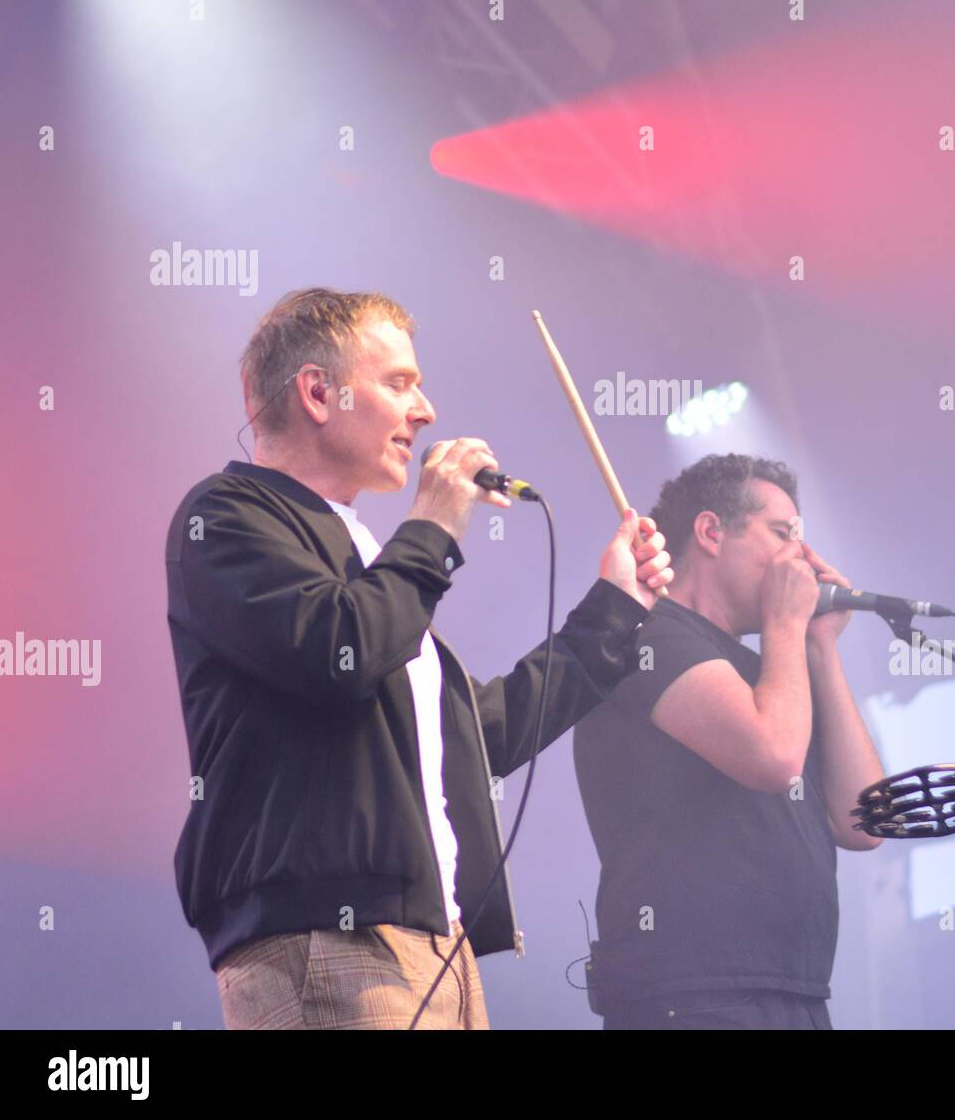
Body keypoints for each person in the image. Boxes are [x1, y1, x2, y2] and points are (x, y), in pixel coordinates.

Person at [165, 287, 672, 1030]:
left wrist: (613, 611)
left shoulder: (363, 554)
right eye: (400, 383)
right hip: (331, 939)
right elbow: (342, 653)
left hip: (436, 943)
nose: (426, 409)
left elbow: (475, 736)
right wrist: (433, 523)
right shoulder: (225, 516)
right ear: (317, 392)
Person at [573, 452, 886, 1030]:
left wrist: (819, 648)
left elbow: (865, 821)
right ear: (712, 531)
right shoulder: (652, 635)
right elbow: (771, 757)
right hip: (696, 995)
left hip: (792, 991)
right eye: (782, 534)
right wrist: (788, 626)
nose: (802, 558)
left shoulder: (772, 669)